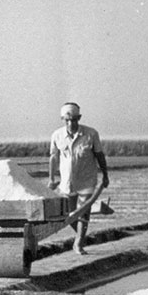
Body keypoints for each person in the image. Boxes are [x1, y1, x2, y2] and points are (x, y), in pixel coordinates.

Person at [48, 102, 109, 255]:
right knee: (69, 213)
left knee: (84, 211)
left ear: (79, 118)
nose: (71, 123)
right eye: (67, 120)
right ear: (63, 120)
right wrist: (51, 178)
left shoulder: (91, 134)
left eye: (74, 120)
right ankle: (80, 235)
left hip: (87, 179)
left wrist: (105, 175)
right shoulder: (57, 135)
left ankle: (79, 243)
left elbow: (99, 155)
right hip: (67, 181)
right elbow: (53, 158)